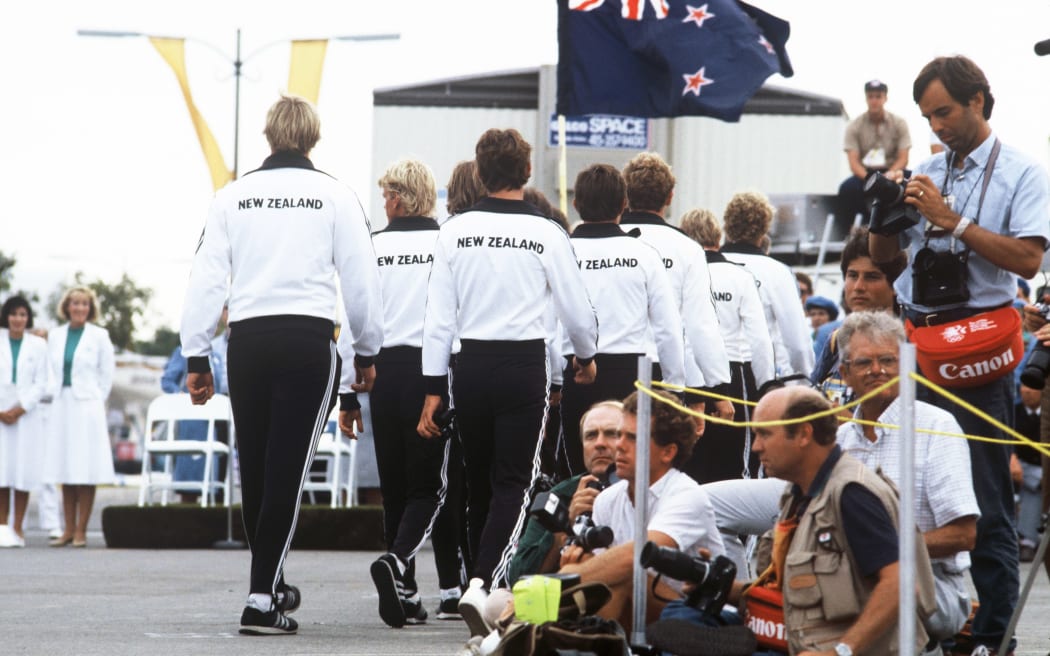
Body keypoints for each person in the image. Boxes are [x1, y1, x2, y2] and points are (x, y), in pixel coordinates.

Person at [180, 94, 384, 635]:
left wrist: (196, 352)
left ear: (268, 136)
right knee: (288, 472)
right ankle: (260, 597)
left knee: (259, 468)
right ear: (313, 138)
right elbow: (361, 283)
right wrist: (365, 350)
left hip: (246, 339)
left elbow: (205, 276)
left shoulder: (232, 195)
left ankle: (270, 583)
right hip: (306, 338)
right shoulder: (335, 195)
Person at [870, 55, 1050, 655]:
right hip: (918, 342)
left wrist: (954, 219)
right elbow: (894, 263)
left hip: (978, 353)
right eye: (926, 116)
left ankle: (993, 637)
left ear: (979, 101)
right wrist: (884, 217)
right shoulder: (924, 168)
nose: (937, 126)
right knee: (904, 489)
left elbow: (1028, 260)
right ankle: (924, 619)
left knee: (988, 501)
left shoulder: (1024, 171)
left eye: (944, 112)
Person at [417, 128, 599, 595]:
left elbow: (437, 321)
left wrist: (433, 389)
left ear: (479, 172)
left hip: (470, 365)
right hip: (523, 367)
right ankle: (484, 582)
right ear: (527, 171)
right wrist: (584, 357)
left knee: (478, 482)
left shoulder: (453, 231)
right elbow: (576, 311)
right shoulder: (546, 232)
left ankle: (478, 579)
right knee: (513, 482)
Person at [749, 386, 934, 656]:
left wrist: (841, 652)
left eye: (764, 433)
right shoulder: (799, 494)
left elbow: (901, 584)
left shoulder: (851, 494)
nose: (756, 446)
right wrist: (712, 581)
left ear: (803, 434)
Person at [835, 311, 979, 650]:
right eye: (864, 363)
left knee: (884, 589)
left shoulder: (936, 428)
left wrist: (879, 555)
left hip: (932, 586)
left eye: (888, 360)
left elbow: (964, 535)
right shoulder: (839, 439)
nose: (877, 371)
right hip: (850, 578)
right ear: (844, 374)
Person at [363, 158, 456, 628]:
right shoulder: (447, 243)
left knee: (396, 486)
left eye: (386, 195)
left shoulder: (373, 246)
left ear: (399, 198)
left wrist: (345, 393)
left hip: (383, 373)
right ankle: (397, 561)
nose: (383, 202)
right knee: (429, 486)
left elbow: (357, 317)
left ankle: (407, 592)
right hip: (431, 372)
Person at [557, 391, 724, 634]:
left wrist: (554, 584)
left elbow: (636, 556)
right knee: (587, 563)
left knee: (625, 572)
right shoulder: (607, 499)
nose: (618, 446)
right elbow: (601, 572)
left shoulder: (687, 494)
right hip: (642, 612)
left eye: (633, 438)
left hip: (698, 622)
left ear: (667, 452)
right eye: (620, 435)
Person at [558, 163, 685, 476]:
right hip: (631, 377)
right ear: (624, 204)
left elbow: (546, 324)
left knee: (577, 472)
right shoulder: (644, 255)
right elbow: (669, 330)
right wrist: (675, 391)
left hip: (573, 373)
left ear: (576, 204)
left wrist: (550, 382)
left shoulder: (562, 253)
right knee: (631, 473)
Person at [619, 152, 733, 422]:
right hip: (664, 372)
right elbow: (700, 325)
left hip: (603, 368)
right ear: (670, 197)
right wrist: (717, 389)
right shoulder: (687, 248)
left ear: (625, 195)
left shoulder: (606, 239)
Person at [678, 207, 774, 484]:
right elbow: (759, 340)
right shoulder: (740, 277)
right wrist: (765, 388)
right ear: (718, 240)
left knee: (690, 468)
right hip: (733, 376)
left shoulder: (681, 276)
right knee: (737, 468)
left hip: (686, 374)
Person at [507, 400, 622, 584]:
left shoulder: (645, 489)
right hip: (565, 594)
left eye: (611, 434)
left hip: (626, 591)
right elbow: (518, 577)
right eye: (591, 436)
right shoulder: (561, 494)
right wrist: (565, 526)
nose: (600, 443)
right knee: (497, 602)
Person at [43, 286, 115, 549]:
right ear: (67, 307)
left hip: (87, 407)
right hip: (62, 404)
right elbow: (50, 370)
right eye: (75, 303)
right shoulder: (56, 335)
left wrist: (96, 398)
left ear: (90, 308)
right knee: (66, 467)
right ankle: (68, 529)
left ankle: (81, 530)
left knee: (85, 468)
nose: (80, 308)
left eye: (84, 304)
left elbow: (107, 374)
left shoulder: (100, 336)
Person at [722, 191, 815, 380]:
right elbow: (797, 341)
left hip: (706, 374)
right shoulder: (776, 272)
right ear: (764, 230)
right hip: (757, 376)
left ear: (727, 225)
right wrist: (808, 377)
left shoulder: (703, 265)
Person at [811, 225, 907, 401]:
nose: (858, 287)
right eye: (852, 275)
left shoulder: (908, 343)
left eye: (872, 277)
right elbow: (812, 399)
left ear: (896, 285)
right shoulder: (836, 340)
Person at [159, 304, 229, 504]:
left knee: (212, 469)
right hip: (190, 422)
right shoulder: (183, 352)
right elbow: (167, 380)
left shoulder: (215, 355)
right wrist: (179, 395)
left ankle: (213, 509)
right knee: (189, 470)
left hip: (211, 421)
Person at [0, 296, 50, 548]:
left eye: (22, 314)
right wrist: (2, 412)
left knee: (22, 471)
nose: (18, 319)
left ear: (28, 318)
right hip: (0, 416)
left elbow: (42, 383)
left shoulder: (39, 345)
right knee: (1, 472)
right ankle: (1, 528)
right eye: (13, 314)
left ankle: (17, 527)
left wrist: (20, 409)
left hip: (26, 416)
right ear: (6, 316)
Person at [836, 79, 912, 226]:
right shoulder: (854, 126)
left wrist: (889, 175)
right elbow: (853, 162)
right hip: (865, 175)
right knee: (846, 189)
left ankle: (907, 225)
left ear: (885, 98)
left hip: (893, 172)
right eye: (871, 97)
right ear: (866, 98)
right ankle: (856, 228)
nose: (874, 101)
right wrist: (871, 180)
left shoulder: (899, 123)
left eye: (878, 96)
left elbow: (903, 158)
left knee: (914, 181)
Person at [1013, 383, 1043, 563]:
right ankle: (1028, 540)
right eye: (1023, 390)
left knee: (1039, 482)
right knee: (1037, 484)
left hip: (1043, 466)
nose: (1027, 393)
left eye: (1031, 390)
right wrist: (1011, 457)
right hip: (1021, 466)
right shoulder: (1014, 413)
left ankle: (1028, 540)